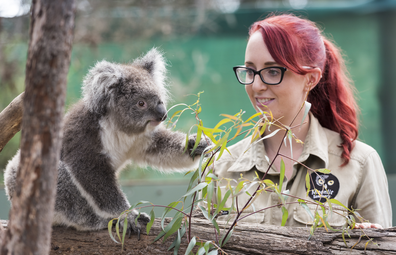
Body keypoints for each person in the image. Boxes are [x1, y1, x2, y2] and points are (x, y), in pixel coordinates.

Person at [211, 13, 392, 229]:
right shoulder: (220, 167)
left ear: (311, 79)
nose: (257, 86)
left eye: (272, 71)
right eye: (250, 71)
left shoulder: (359, 163)